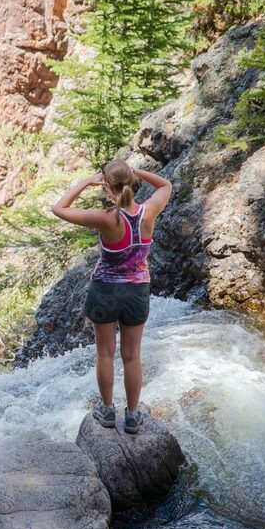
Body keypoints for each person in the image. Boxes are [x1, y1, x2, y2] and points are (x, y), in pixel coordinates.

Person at [51, 158, 172, 434]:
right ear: (131, 181)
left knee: (105, 354)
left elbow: (59, 208)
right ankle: (132, 415)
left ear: (107, 187)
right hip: (137, 292)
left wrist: (86, 182)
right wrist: (135, 171)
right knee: (132, 357)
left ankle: (107, 411)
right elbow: (166, 184)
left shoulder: (106, 218)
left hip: (105, 291)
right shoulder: (149, 211)